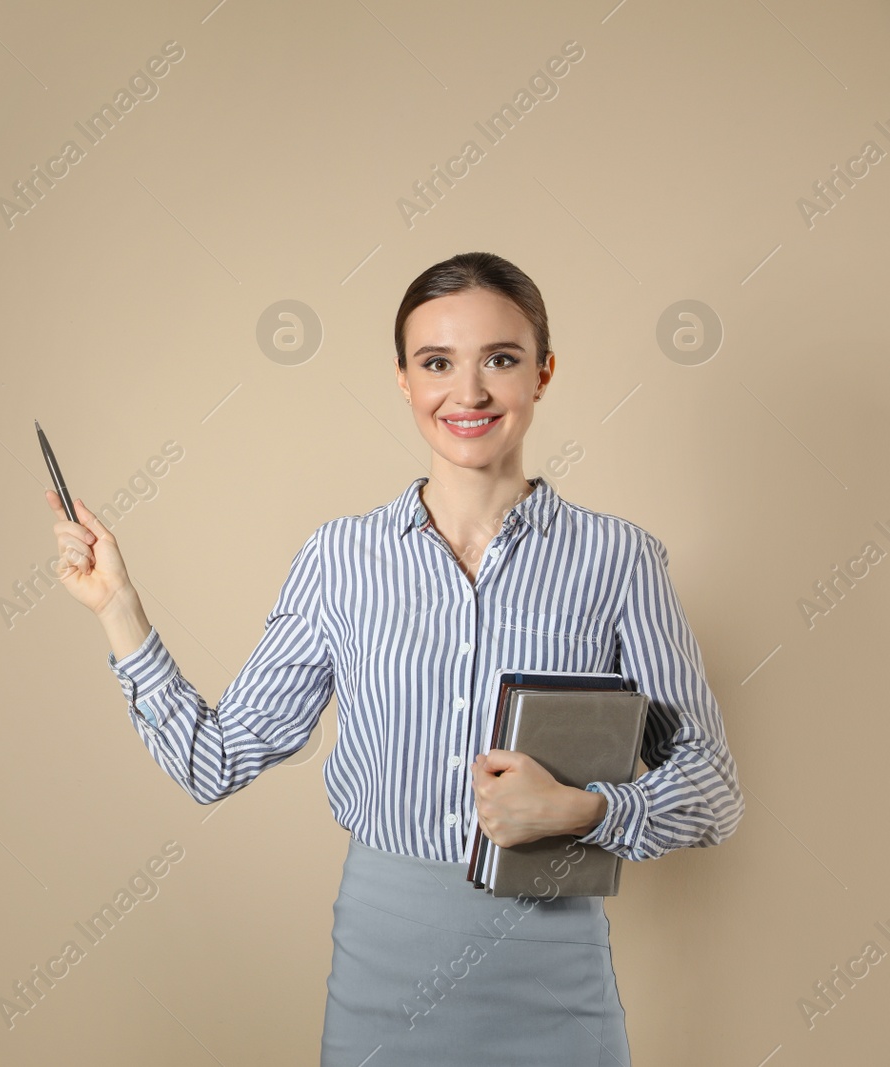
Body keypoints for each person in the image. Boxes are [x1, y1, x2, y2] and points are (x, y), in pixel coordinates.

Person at [43, 251, 744, 1065]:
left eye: (502, 360)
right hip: (385, 986)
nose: (470, 392)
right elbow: (213, 760)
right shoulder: (340, 559)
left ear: (543, 374)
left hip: (558, 986)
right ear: (404, 380)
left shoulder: (618, 560)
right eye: (437, 362)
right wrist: (118, 608)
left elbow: (714, 791)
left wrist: (584, 812)